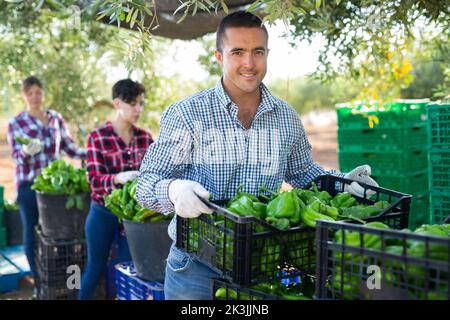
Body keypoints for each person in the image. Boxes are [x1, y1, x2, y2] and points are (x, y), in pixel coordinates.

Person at [135, 11, 378, 300]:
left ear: (267, 54)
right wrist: (174, 190)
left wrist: (343, 183)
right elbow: (146, 184)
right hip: (196, 269)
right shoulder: (187, 114)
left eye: (257, 52)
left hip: (263, 265)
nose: (249, 63)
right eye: (237, 52)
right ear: (219, 56)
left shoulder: (286, 117)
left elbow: (305, 174)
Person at [7, 76, 87, 285]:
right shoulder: (16, 122)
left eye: (38, 92)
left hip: (55, 188)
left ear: (43, 93)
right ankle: (39, 279)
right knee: (32, 231)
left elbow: (69, 147)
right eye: (30, 93)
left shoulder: (55, 118)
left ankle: (63, 277)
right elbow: (16, 156)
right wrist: (25, 151)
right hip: (29, 185)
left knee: (63, 232)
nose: (35, 97)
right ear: (24, 95)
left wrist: (90, 153)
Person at [78, 79, 154, 300]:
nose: (138, 109)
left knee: (128, 270)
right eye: (132, 104)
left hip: (132, 218)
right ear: (117, 104)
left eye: (141, 103)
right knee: (95, 266)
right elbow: (94, 180)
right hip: (102, 212)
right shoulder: (97, 138)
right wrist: (117, 178)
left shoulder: (145, 139)